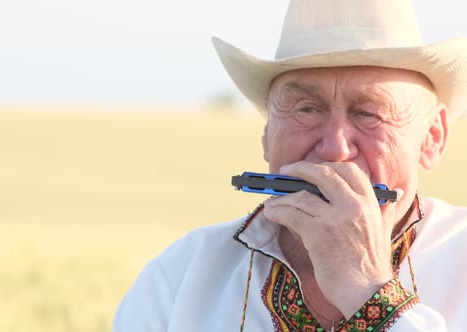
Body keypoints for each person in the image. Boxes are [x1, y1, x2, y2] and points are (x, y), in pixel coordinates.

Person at [114, 0, 467, 331]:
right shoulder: (179, 276)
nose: (334, 150)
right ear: (267, 134)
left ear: (432, 138)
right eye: (306, 109)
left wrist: (366, 288)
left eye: (368, 113)